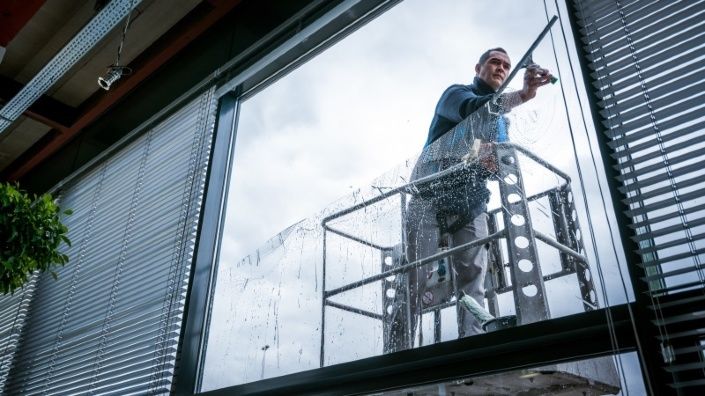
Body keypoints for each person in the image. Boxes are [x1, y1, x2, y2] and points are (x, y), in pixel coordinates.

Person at [386, 48, 553, 352]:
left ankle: (473, 349)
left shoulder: (502, 123)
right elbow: (474, 111)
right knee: (415, 276)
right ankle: (396, 355)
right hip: (428, 197)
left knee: (474, 280)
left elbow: (495, 167)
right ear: (478, 68)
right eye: (494, 62)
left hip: (470, 202)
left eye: (506, 65)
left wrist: (493, 164)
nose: (501, 68)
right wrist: (524, 95)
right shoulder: (455, 94)